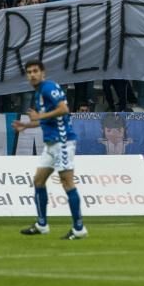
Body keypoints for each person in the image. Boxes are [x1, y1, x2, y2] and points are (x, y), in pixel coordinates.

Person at [13, 60, 87, 240]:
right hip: (50, 143)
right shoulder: (39, 92)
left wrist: (40, 116)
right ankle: (42, 224)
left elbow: (64, 109)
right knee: (38, 181)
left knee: (67, 183)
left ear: (43, 73)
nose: (32, 74)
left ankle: (79, 228)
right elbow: (45, 119)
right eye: (29, 72)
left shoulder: (48, 88)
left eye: (35, 71)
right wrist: (27, 125)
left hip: (62, 141)